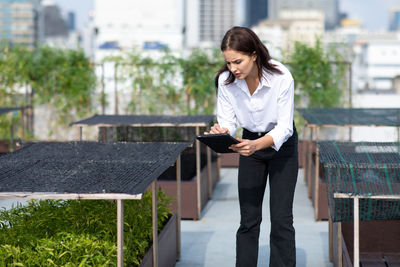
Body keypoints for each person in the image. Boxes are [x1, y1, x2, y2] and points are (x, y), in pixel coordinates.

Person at [206, 26, 298, 267]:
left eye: (238, 61)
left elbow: (285, 128)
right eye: (228, 63)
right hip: (249, 145)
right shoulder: (226, 83)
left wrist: (257, 145)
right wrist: (222, 132)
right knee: (248, 219)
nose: (233, 68)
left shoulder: (281, 77)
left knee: (281, 219)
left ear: (254, 54)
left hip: (282, 148)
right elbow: (228, 122)